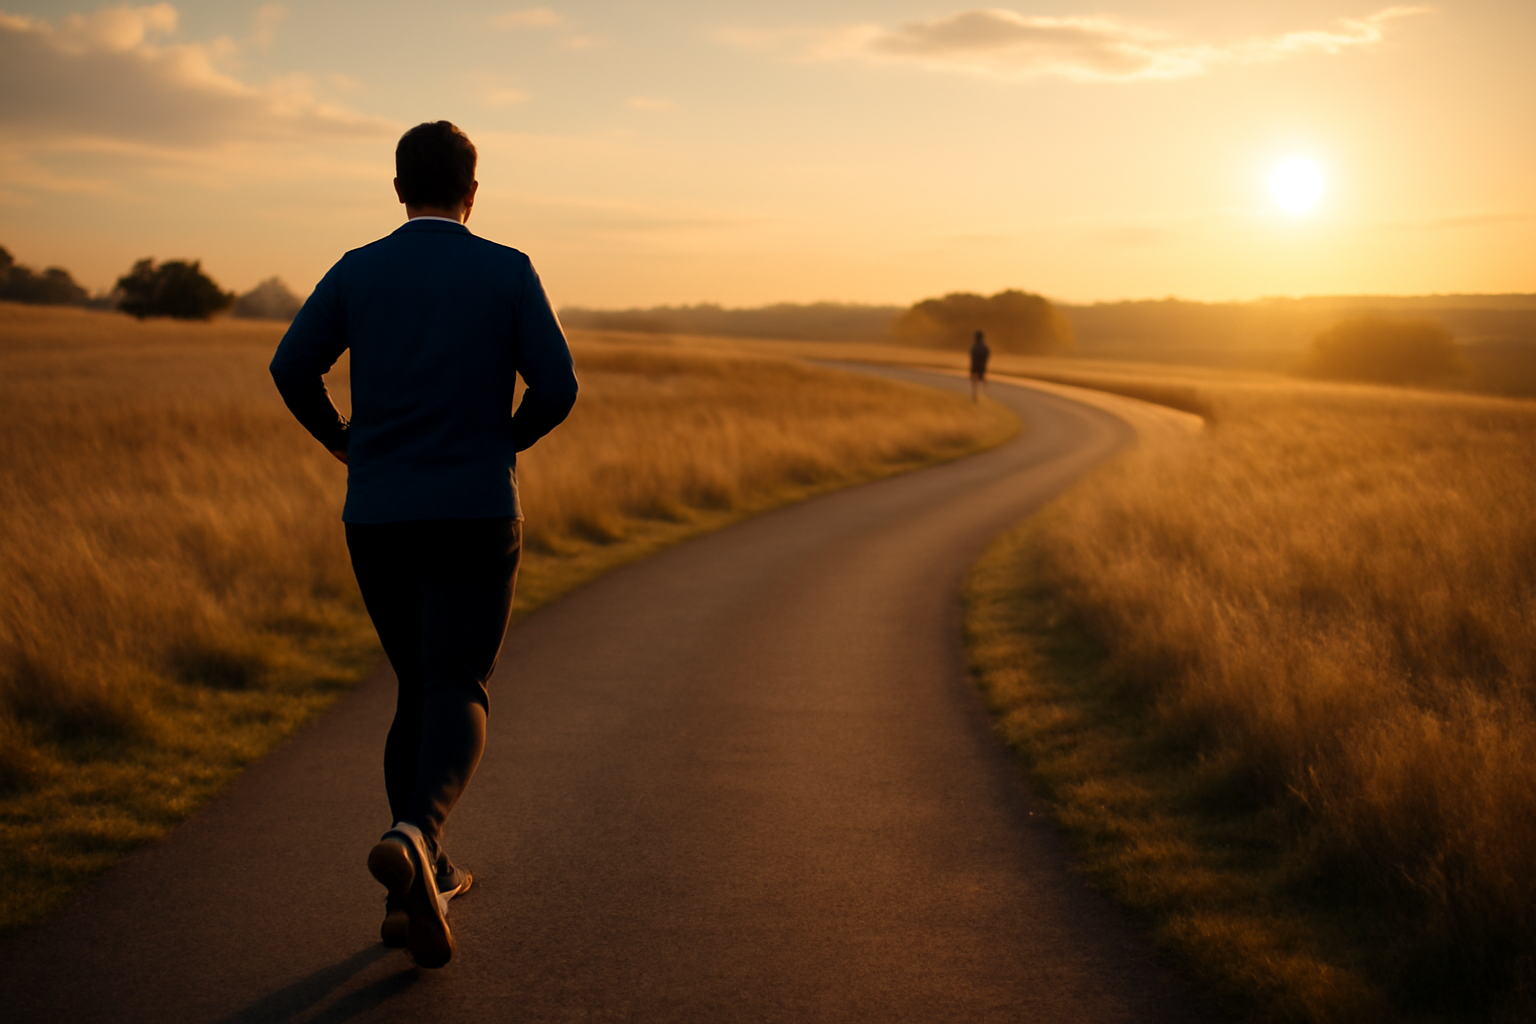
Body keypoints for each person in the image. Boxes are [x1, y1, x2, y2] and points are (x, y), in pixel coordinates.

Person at [270, 121, 578, 969]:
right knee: (458, 684)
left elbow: (291, 367)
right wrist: (503, 442)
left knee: (417, 685)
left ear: (399, 188)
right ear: (472, 192)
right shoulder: (508, 270)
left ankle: (416, 884)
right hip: (475, 511)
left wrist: (344, 441)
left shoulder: (357, 268)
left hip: (377, 516)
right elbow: (558, 386)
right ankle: (417, 832)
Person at [969, 328, 990, 401]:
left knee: (975, 382)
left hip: (975, 366)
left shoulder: (974, 347)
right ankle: (986, 394)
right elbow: (987, 355)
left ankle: (975, 396)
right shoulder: (984, 347)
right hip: (982, 365)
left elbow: (971, 356)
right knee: (983, 379)